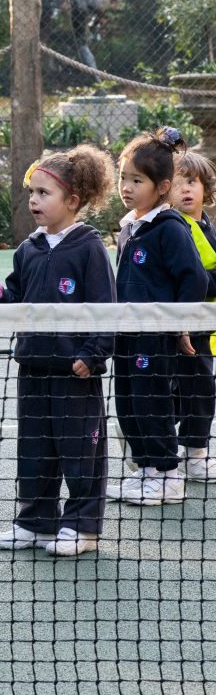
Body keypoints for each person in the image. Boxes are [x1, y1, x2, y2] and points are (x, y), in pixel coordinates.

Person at [0, 145, 116, 557]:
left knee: (80, 453)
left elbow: (108, 309)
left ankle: (83, 527)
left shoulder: (89, 248)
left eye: (44, 193)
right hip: (32, 366)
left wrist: (94, 354)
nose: (34, 200)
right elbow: (19, 294)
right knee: (34, 450)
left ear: (73, 201)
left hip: (75, 372)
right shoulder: (28, 248)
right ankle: (36, 522)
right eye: (32, 192)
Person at [107, 128, 209, 506]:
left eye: (137, 180)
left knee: (152, 402)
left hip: (155, 335)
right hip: (127, 335)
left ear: (162, 186)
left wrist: (181, 322)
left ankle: (168, 476)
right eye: (124, 178)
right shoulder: (129, 228)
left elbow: (194, 278)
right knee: (128, 404)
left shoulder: (170, 229)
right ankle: (147, 470)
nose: (127, 187)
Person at [171, 152, 216, 481]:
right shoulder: (177, 230)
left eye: (192, 182)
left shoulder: (205, 226)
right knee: (199, 390)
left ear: (205, 189)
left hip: (203, 325)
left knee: (185, 389)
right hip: (185, 325)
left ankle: (141, 433)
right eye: (177, 183)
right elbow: (195, 278)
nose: (185, 189)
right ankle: (195, 455)